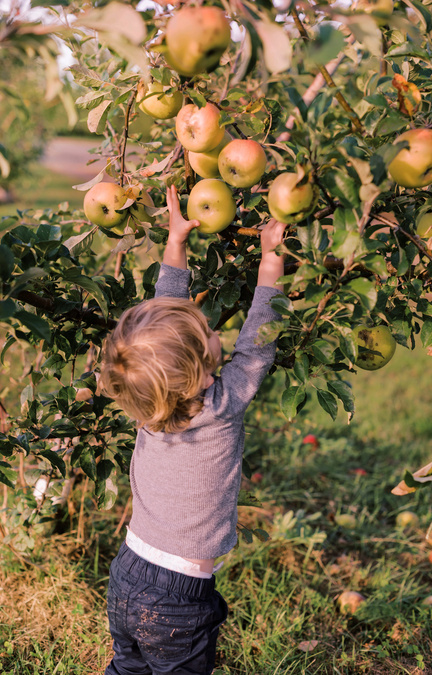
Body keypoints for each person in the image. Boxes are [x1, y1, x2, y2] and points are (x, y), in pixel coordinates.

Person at [100, 185, 287, 675]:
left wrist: (176, 244)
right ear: (199, 374)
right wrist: (271, 266)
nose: (214, 330)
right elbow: (256, 347)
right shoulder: (222, 405)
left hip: (126, 575)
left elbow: (165, 313)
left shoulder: (148, 404)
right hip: (177, 602)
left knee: (128, 668)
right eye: (208, 333)